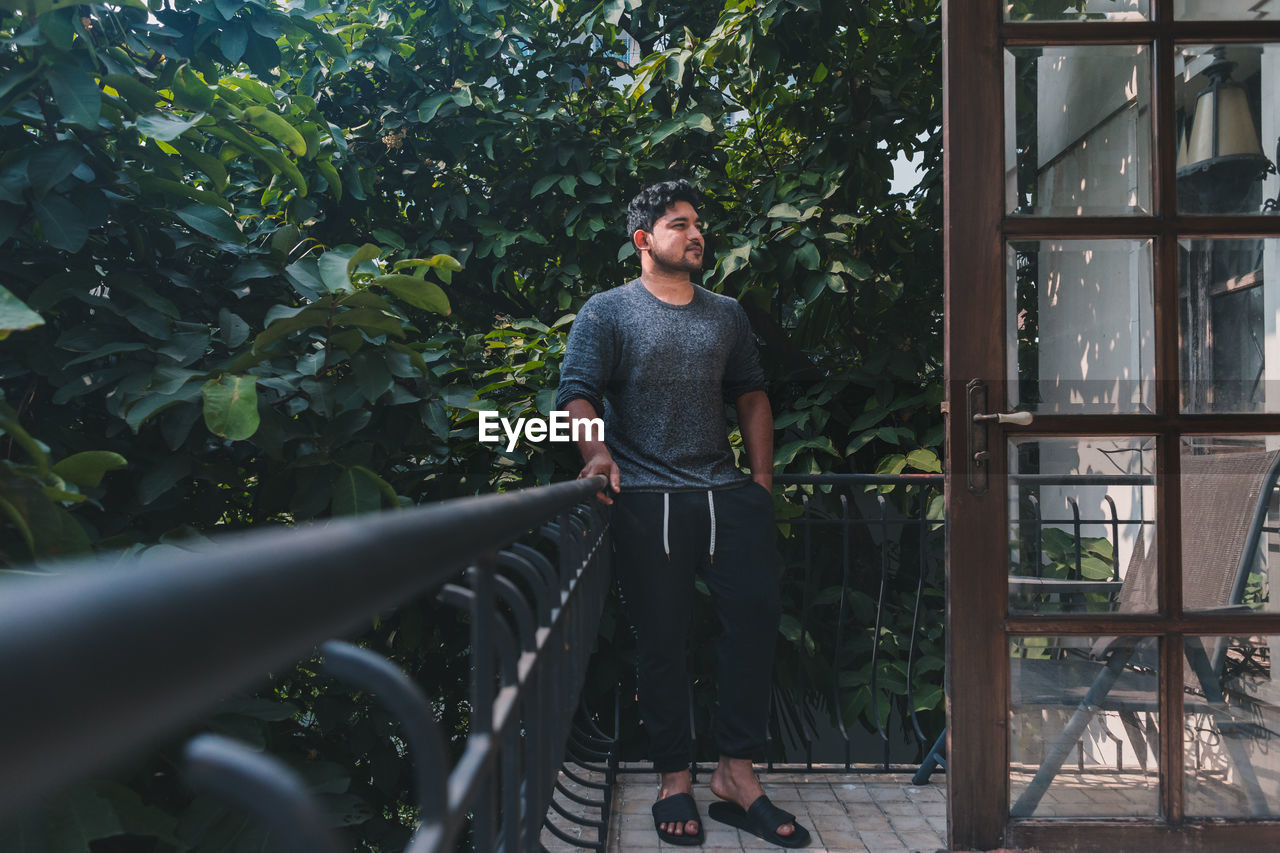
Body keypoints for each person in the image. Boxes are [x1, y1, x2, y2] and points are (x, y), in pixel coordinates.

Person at [555, 180, 810, 848]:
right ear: (644, 240)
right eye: (680, 224)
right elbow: (577, 396)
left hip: (725, 496)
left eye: (699, 223)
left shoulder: (725, 314)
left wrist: (758, 479)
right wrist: (597, 455)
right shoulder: (607, 312)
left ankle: (736, 774)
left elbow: (750, 393)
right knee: (663, 641)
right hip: (645, 498)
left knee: (753, 625)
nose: (697, 234)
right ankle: (675, 778)